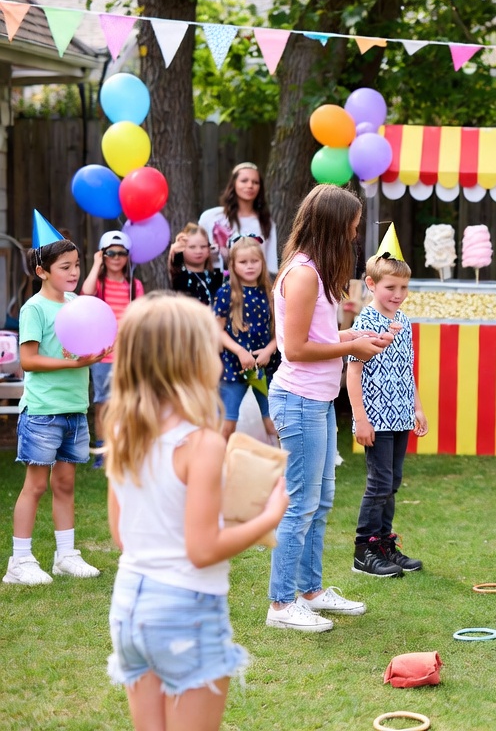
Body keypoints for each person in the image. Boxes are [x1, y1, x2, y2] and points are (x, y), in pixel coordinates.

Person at [105, 293, 289, 731]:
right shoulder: (201, 443)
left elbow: (121, 536)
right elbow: (202, 549)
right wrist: (269, 516)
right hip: (184, 607)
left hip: (129, 604)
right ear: (188, 360)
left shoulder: (122, 432)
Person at [265, 184, 388, 633]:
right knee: (300, 505)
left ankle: (310, 592)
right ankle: (281, 605)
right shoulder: (302, 274)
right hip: (297, 402)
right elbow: (294, 349)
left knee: (319, 503)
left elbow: (317, 337)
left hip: (316, 402)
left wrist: (353, 338)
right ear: (334, 225)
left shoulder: (316, 272)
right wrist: (352, 343)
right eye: (353, 226)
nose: (357, 234)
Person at [4, 232, 106, 585]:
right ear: (41, 271)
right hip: (43, 411)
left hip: (75, 409)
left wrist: (94, 353)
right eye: (65, 266)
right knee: (35, 486)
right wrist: (76, 364)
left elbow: (81, 347)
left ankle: (66, 555)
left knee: (65, 484)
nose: (74, 271)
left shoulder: (76, 303)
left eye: (76, 264)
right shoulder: (34, 308)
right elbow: (28, 361)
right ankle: (19, 561)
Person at [346, 252, 428, 578]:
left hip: (400, 416)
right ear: (370, 284)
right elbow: (353, 373)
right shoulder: (363, 323)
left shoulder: (404, 321)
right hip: (376, 418)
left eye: (404, 287)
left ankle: (383, 544)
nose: (398, 294)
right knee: (378, 483)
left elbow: (406, 370)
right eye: (391, 286)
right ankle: (364, 550)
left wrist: (417, 407)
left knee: (391, 482)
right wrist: (360, 418)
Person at [81, 230, 144, 469]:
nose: (116, 258)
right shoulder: (98, 283)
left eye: (121, 253)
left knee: (129, 404)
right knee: (104, 405)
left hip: (127, 356)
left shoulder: (133, 286)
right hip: (103, 355)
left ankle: (124, 450)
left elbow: (139, 317)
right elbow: (85, 294)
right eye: (110, 253)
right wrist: (96, 264)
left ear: (128, 257)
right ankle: (102, 452)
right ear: (103, 255)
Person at [213, 237, 278, 441]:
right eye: (243, 262)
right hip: (233, 366)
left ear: (262, 262)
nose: (250, 266)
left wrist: (269, 349)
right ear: (233, 265)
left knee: (273, 422)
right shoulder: (225, 293)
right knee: (227, 424)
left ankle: (284, 469)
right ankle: (215, 468)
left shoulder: (270, 292)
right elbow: (218, 330)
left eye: (254, 261)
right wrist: (240, 351)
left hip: (263, 367)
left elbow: (280, 331)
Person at [199, 162, 279, 273]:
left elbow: (271, 264)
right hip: (216, 284)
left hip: (253, 285)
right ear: (233, 184)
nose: (250, 185)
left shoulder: (265, 222)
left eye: (255, 182)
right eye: (244, 181)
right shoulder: (211, 217)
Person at [169, 222, 224, 306]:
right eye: (192, 247)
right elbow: (174, 266)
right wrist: (175, 253)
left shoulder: (216, 276)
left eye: (203, 246)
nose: (198, 251)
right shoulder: (179, 277)